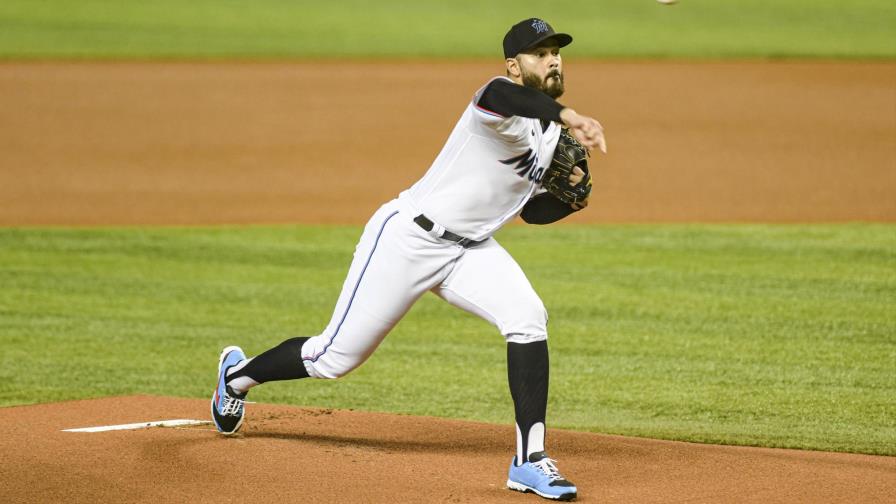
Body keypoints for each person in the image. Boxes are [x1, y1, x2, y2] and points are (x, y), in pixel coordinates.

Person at [211, 18, 605, 502]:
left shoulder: (547, 135)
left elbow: (530, 213)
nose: (552, 59)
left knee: (527, 317)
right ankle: (236, 376)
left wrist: (570, 200)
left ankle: (529, 460)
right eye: (540, 53)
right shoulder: (497, 99)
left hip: (471, 249)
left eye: (556, 52)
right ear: (513, 64)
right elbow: (509, 99)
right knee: (333, 357)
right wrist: (570, 116)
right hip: (408, 238)